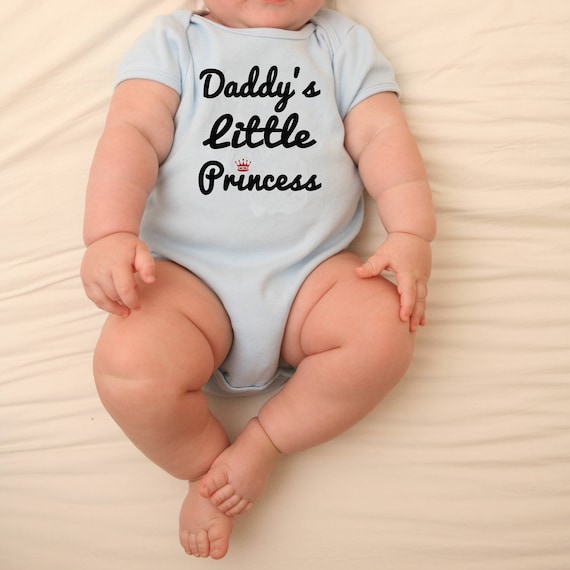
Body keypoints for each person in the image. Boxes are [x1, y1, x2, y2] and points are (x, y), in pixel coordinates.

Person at [80, 0, 436, 560]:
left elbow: (382, 137)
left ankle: (263, 442)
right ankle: (208, 473)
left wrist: (412, 232)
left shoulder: (340, 45)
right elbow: (132, 134)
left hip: (312, 279)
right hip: (188, 283)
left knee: (385, 330)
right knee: (128, 367)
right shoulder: (175, 42)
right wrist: (108, 233)